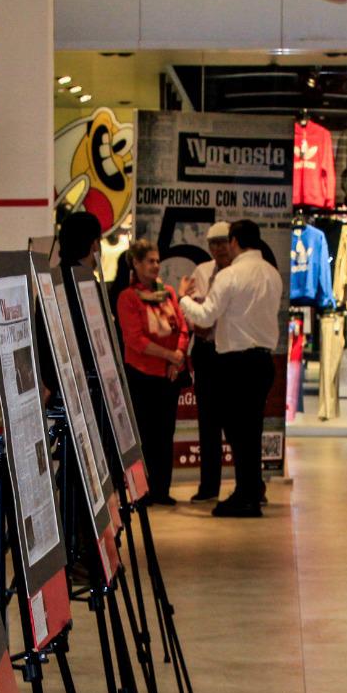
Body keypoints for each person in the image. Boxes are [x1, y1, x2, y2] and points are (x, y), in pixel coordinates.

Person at [178, 219, 281, 518]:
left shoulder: (231, 275)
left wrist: (183, 297)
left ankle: (245, 496)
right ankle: (250, 490)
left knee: (239, 433)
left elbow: (206, 316)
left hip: (235, 364)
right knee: (251, 431)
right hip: (263, 361)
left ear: (234, 241)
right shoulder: (272, 274)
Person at [116, 240, 191, 505]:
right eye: (150, 260)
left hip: (167, 376)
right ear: (135, 264)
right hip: (141, 375)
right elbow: (135, 340)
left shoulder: (168, 292)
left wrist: (177, 357)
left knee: (164, 434)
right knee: (143, 436)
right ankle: (141, 492)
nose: (156, 265)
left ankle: (161, 490)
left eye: (157, 260)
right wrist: (169, 355)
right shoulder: (128, 298)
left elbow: (182, 327)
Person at [187, 222, 233, 502]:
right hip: (205, 351)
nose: (218, 248)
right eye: (213, 243)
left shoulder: (238, 273)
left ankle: (250, 485)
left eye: (223, 242)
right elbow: (199, 319)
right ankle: (209, 486)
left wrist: (207, 312)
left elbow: (209, 312)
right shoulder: (202, 271)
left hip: (231, 353)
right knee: (208, 423)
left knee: (239, 423)